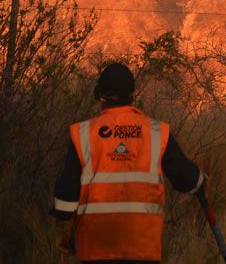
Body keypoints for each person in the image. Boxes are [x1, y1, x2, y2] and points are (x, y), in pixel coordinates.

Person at [51, 63, 205, 263]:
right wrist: (201, 181)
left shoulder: (82, 134)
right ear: (132, 96)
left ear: (100, 96)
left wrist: (64, 230)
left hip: (95, 249)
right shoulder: (156, 132)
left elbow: (65, 201)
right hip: (143, 249)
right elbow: (188, 180)